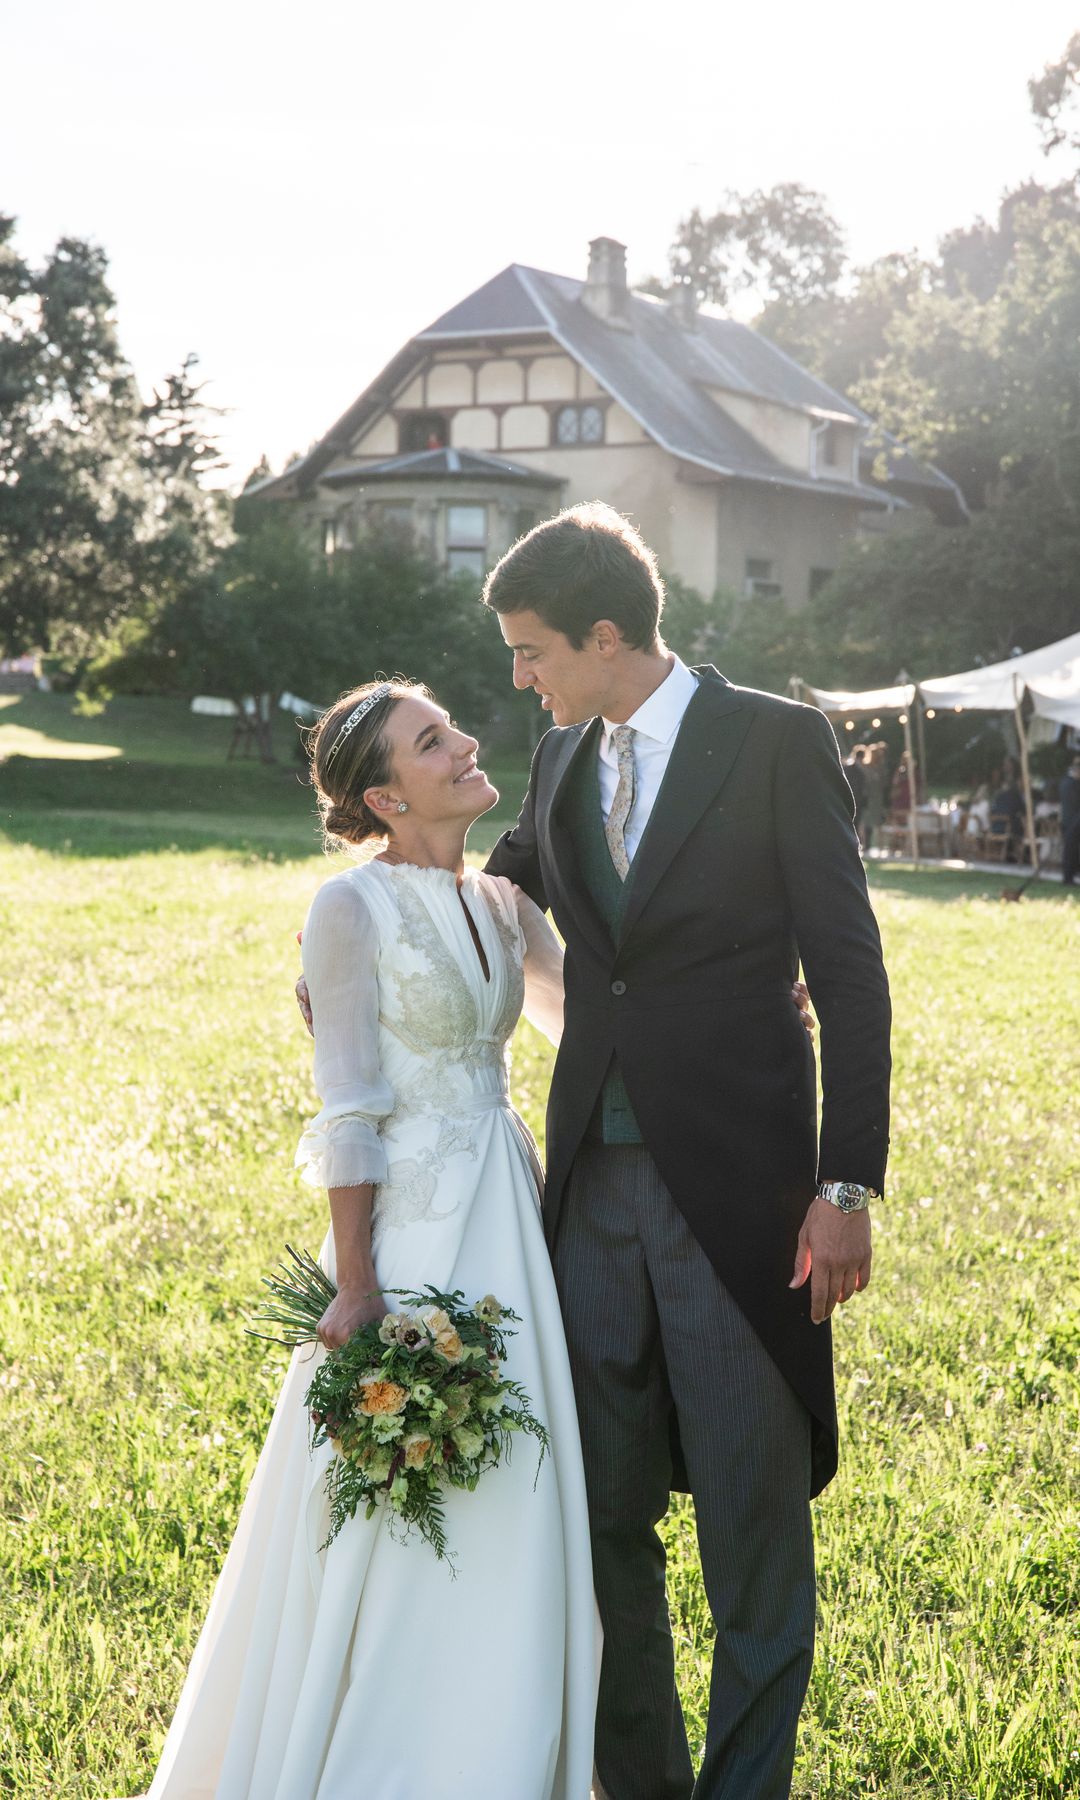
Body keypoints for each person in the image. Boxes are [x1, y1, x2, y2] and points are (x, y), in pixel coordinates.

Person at [481, 503, 892, 1800]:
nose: (519, 676)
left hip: (743, 1201)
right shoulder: (557, 765)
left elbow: (850, 975)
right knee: (601, 1519)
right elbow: (494, 881)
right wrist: (361, 946)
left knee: (749, 1527)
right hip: (586, 1197)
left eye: (534, 650)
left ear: (608, 637)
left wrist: (844, 1186)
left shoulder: (774, 742)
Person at [143, 679, 601, 1799]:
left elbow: (592, 1018)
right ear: (387, 796)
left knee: (521, 1480)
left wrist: (739, 1003)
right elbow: (346, 1106)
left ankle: (503, 1736)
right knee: (405, 1483)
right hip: (415, 1231)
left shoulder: (501, 902)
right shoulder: (345, 910)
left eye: (454, 729)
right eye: (433, 742)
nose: (466, 745)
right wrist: (356, 1282)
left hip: (509, 1209)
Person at [1061, 753, 1080, 886]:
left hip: (1070, 821)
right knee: (1070, 851)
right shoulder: (1071, 783)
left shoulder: (1066, 782)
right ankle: (1068, 878)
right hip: (1072, 822)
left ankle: (1069, 877)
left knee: (1072, 851)